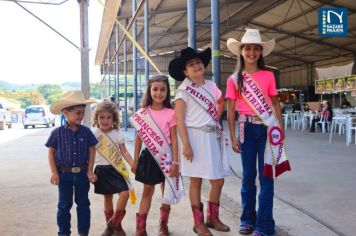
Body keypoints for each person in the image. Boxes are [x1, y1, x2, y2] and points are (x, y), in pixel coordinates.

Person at [226, 29, 290, 236]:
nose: (252, 52)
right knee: (247, 176)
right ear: (241, 51)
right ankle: (247, 220)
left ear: (261, 52)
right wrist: (233, 136)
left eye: (256, 49)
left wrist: (280, 128)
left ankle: (265, 225)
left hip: (267, 129)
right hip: (245, 128)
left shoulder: (268, 75)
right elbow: (231, 108)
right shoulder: (234, 79)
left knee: (266, 177)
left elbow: (275, 103)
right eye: (248, 48)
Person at [169, 47, 230, 236]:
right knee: (196, 181)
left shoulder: (211, 86)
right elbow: (179, 120)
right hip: (193, 139)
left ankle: (213, 218)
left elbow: (221, 102)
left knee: (218, 181)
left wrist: (214, 120)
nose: (196, 66)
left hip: (211, 137)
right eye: (191, 64)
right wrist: (185, 144)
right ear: (185, 72)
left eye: (198, 62)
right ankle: (198, 223)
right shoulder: (183, 91)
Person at [130, 74, 181, 236]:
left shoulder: (171, 113)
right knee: (147, 191)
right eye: (155, 89)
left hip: (166, 157)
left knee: (167, 190)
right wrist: (135, 159)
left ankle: (163, 225)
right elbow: (138, 138)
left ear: (167, 92)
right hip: (149, 157)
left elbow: (174, 139)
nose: (159, 93)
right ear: (149, 91)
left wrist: (176, 162)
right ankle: (140, 228)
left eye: (162, 90)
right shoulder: (142, 113)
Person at [45, 90, 98, 236]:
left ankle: (83, 232)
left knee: (83, 205)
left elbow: (92, 149)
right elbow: (51, 152)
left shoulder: (86, 132)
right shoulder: (57, 133)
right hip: (64, 176)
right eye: (78, 113)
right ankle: (63, 233)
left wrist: (89, 170)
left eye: (83, 113)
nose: (81, 116)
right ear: (65, 113)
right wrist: (54, 172)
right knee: (63, 206)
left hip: (82, 175)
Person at [91, 100, 134, 236]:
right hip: (101, 170)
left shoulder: (118, 134)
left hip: (116, 169)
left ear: (114, 119)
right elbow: (91, 154)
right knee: (107, 198)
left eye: (108, 117)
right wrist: (89, 171)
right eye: (101, 117)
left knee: (125, 194)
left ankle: (114, 222)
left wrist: (133, 164)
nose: (105, 120)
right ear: (96, 118)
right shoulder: (94, 134)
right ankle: (112, 228)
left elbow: (124, 152)